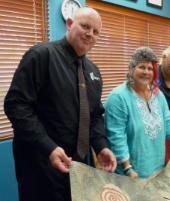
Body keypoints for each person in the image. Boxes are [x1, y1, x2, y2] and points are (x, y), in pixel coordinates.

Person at [4, 7, 116, 201]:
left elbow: (95, 114)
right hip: (40, 165)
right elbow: (16, 105)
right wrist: (49, 147)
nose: (90, 34)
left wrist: (101, 146)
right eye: (85, 26)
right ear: (70, 24)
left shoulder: (93, 72)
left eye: (96, 31)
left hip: (77, 168)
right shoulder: (41, 56)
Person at [104, 47, 170, 179]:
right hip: (131, 174)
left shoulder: (158, 95)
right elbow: (117, 138)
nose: (146, 72)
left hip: (158, 169)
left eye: (150, 68)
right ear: (132, 68)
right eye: (141, 67)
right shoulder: (118, 97)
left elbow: (167, 124)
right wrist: (128, 169)